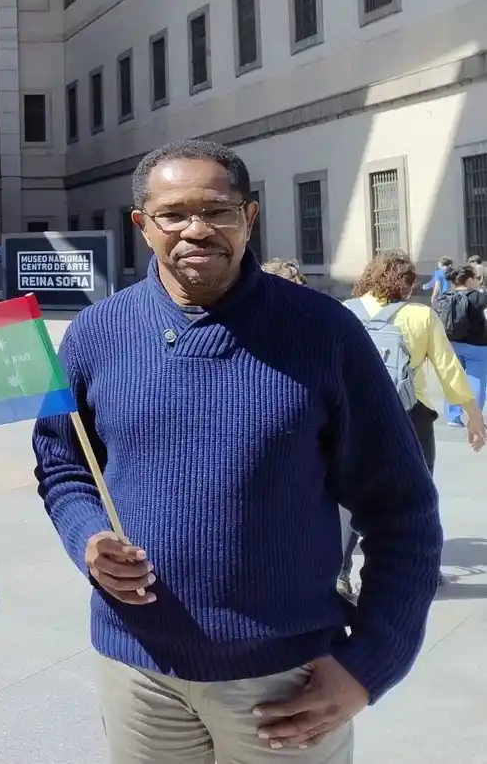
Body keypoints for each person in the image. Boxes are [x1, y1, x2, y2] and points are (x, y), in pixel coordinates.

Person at [33, 139, 441, 764]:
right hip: (139, 677)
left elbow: (403, 512)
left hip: (286, 683)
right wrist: (87, 537)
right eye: (173, 214)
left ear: (249, 218)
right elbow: (63, 464)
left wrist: (370, 664)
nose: (197, 229)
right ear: (143, 226)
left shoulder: (325, 334)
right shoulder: (97, 333)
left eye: (218, 211)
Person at [348, 251, 487, 465]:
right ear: (407, 284)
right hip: (410, 412)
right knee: (416, 491)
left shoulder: (345, 310)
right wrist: (474, 416)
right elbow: (448, 369)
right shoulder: (421, 315)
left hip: (353, 411)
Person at [435, 265, 487, 426]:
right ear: (470, 280)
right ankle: (474, 417)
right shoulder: (479, 297)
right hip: (478, 346)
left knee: (453, 379)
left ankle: (453, 417)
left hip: (452, 344)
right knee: (476, 382)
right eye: (477, 279)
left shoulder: (446, 295)